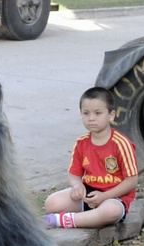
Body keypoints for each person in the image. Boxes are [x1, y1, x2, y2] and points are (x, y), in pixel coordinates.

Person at [45, 86, 138, 229]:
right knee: (52, 203)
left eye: (98, 113)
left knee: (111, 211)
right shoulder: (81, 143)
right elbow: (73, 175)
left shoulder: (121, 144)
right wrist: (77, 186)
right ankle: (88, 217)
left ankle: (64, 221)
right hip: (88, 194)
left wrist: (104, 197)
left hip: (114, 197)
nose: (91, 118)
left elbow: (131, 181)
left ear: (111, 115)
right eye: (86, 113)